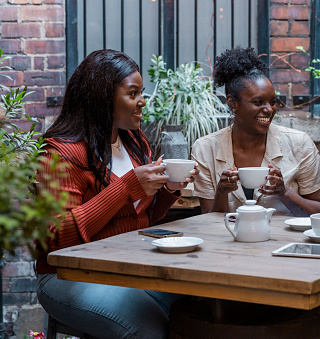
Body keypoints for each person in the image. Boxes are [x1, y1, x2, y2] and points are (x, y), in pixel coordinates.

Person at [35, 49, 198, 338]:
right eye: (132, 93)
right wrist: (125, 188)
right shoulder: (60, 153)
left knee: (201, 306)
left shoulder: (135, 142)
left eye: (141, 92)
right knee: (147, 329)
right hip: (67, 275)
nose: (142, 102)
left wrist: (170, 188)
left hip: (127, 267)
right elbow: (55, 240)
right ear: (102, 97)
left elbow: (144, 217)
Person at [191, 46, 320, 216]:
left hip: (285, 240)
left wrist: (284, 193)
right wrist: (221, 192)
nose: (269, 109)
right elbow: (209, 220)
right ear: (232, 103)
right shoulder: (205, 149)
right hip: (230, 242)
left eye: (272, 102)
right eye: (258, 102)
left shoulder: (299, 144)